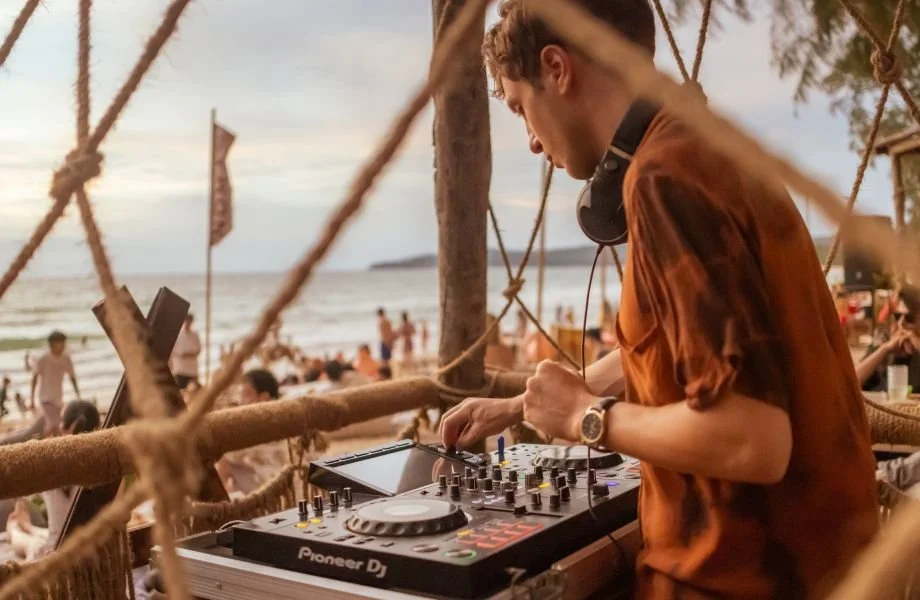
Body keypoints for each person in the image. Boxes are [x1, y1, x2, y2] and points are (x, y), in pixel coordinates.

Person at [441, 2, 879, 598]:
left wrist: (583, 418)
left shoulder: (665, 178)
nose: (533, 144)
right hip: (833, 563)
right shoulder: (709, 148)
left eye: (521, 108)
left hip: (744, 579)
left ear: (557, 67)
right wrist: (522, 406)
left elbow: (754, 438)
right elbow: (699, 344)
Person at [30, 331, 80, 436]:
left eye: (64, 343)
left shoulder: (66, 359)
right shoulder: (43, 359)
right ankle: (54, 446)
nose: (64, 346)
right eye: (61, 343)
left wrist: (78, 395)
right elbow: (34, 378)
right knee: (54, 425)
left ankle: (42, 442)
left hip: (58, 399)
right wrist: (32, 399)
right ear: (52, 344)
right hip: (45, 398)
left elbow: (72, 377)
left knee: (52, 427)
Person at [170, 314, 201, 390]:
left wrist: (191, 354)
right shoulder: (177, 335)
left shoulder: (195, 335)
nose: (188, 323)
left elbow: (198, 349)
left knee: (195, 391)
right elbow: (172, 351)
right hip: (180, 369)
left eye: (190, 322)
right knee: (181, 390)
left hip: (193, 369)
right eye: (186, 321)